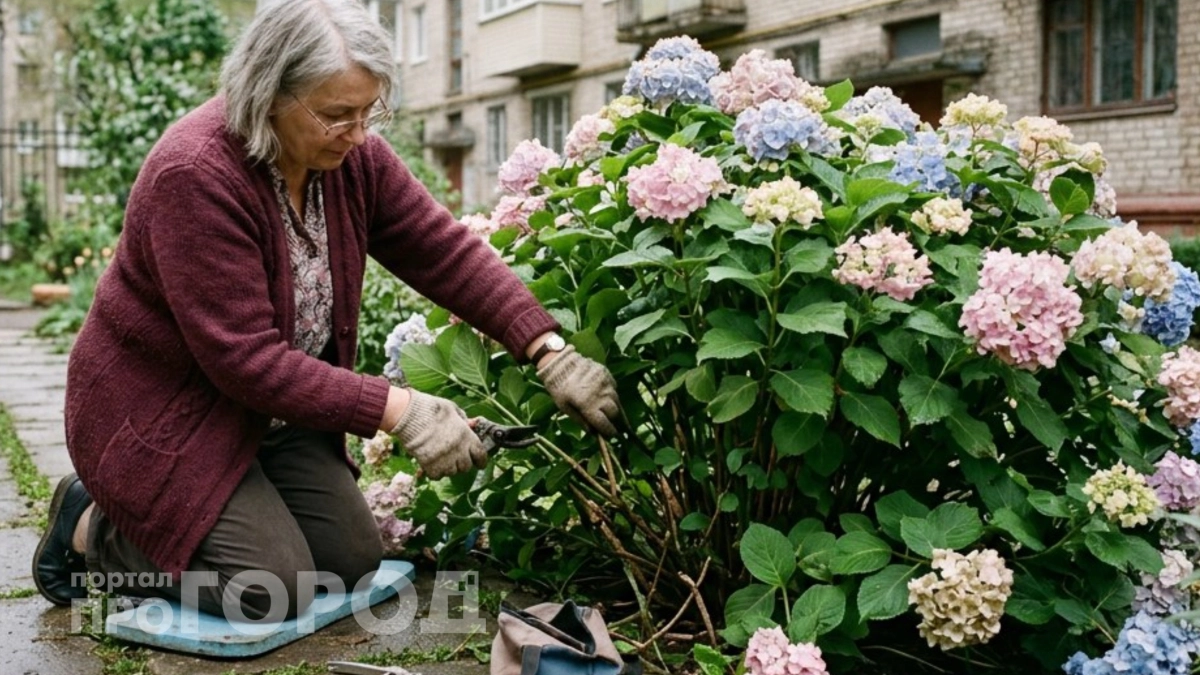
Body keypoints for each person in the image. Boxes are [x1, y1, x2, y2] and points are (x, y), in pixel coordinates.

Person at [32, 0, 621, 621]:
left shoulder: (350, 159)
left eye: (370, 112)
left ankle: (233, 501)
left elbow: (442, 250)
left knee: (350, 562)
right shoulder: (196, 174)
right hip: (166, 416)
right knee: (268, 590)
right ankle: (91, 527)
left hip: (272, 418)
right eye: (338, 115)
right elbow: (246, 361)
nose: (360, 134)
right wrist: (401, 410)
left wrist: (545, 348)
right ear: (269, 95)